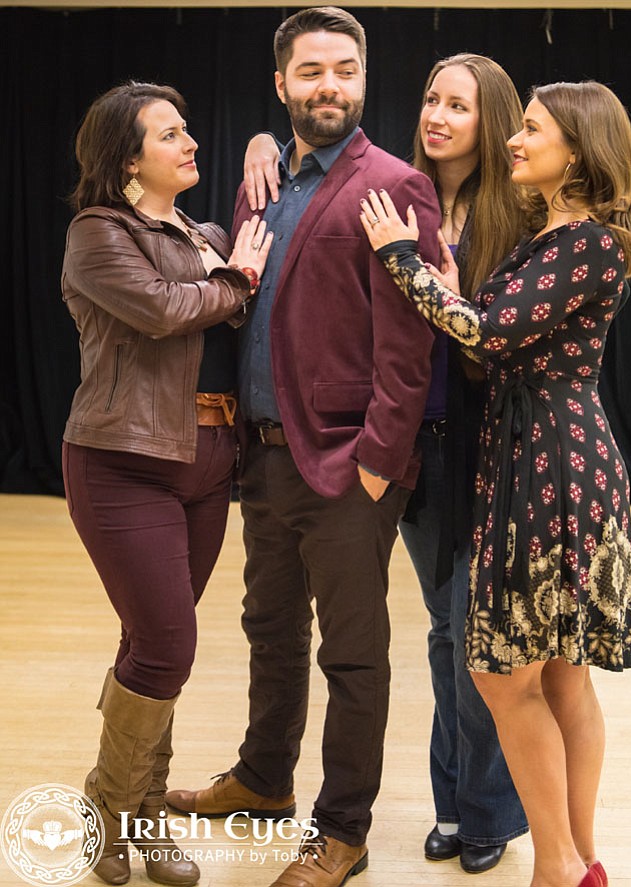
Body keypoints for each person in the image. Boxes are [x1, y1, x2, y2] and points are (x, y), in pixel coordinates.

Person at [164, 8, 440, 887]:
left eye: (346, 70)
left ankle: (343, 829)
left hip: (347, 465)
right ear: (282, 84)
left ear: (364, 80)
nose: (331, 86)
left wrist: (377, 461)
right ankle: (262, 777)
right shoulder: (269, 184)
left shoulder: (395, 185)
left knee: (352, 653)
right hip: (266, 456)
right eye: (312, 72)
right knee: (270, 629)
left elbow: (410, 348)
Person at [242, 53, 529, 874]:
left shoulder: (513, 213)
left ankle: (486, 810)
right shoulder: (406, 188)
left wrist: (436, 287)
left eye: (459, 106)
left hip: (482, 444)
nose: (437, 116)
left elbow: (494, 347)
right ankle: (454, 802)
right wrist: (267, 140)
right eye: (432, 99)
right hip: (416, 448)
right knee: (445, 632)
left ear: (493, 120)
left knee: (476, 639)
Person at [360, 80, 631, 887]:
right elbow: (494, 339)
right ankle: (581, 861)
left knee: (502, 671)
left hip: (552, 462)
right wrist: (451, 286)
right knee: (559, 673)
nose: (514, 140)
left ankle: (559, 862)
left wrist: (402, 261)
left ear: (579, 149)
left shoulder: (585, 241)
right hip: (537, 450)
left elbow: (485, 332)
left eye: (531, 128)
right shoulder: (547, 236)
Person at [62, 81, 272, 886]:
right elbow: (158, 308)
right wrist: (239, 282)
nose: (189, 143)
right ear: (126, 159)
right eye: (169, 134)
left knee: (153, 649)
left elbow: (267, 202)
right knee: (169, 643)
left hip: (211, 460)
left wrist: (260, 139)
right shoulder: (97, 232)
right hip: (122, 460)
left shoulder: (207, 233)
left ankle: (141, 825)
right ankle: (109, 815)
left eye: (188, 129)